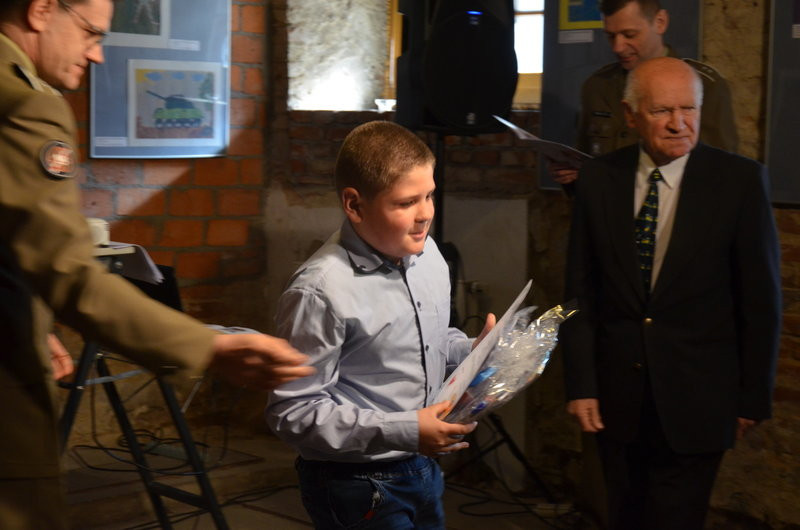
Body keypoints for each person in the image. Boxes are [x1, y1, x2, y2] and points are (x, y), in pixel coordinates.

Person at [0, 1, 313, 527]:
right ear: (41, 10)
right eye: (90, 33)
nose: (97, 54)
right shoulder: (25, 105)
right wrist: (207, 346)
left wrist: (22, 319)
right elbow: (70, 272)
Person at [560, 56, 781, 530]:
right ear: (630, 115)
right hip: (616, 399)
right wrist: (581, 384)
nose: (679, 123)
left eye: (689, 109)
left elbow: (761, 300)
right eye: (662, 111)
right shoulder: (599, 179)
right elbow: (579, 291)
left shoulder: (739, 182)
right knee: (623, 516)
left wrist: (751, 398)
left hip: (701, 398)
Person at [266, 120, 496, 529]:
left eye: (430, 196)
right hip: (356, 482)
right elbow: (294, 412)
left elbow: (428, 343)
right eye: (406, 203)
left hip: (422, 467)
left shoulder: (429, 257)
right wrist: (405, 429)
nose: (425, 214)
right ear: (354, 205)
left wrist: (475, 348)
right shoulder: (320, 291)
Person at [552, 0, 739, 187]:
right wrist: (574, 176)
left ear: (660, 22)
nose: (618, 47)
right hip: (612, 208)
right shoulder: (598, 86)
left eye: (629, 35)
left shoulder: (703, 84)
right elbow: (585, 158)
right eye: (610, 36)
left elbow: (721, 169)